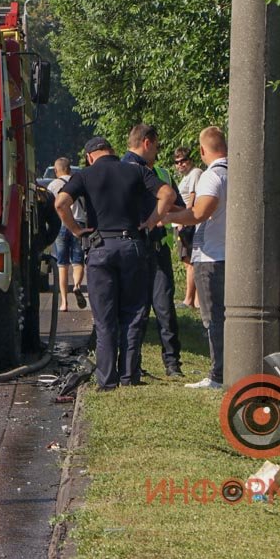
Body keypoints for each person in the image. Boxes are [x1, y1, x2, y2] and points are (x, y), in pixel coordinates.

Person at [55, 137, 175, 390]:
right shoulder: (136, 170)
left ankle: (107, 380)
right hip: (132, 246)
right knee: (133, 314)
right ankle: (129, 376)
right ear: (112, 151)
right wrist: (152, 221)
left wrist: (77, 230)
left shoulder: (85, 175)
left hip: (100, 249)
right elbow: (168, 194)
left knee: (105, 318)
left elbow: (60, 203)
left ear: (89, 156)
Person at [168, 127, 228, 390]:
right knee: (224, 317)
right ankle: (226, 369)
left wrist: (168, 218)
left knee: (212, 317)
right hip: (227, 253)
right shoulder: (234, 172)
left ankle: (217, 375)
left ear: (203, 151)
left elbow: (200, 212)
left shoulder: (211, 176)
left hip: (211, 256)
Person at [122, 124, 185, 377]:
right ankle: (132, 365)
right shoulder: (126, 171)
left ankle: (172, 364)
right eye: (156, 146)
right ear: (146, 142)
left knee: (164, 309)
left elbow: (178, 206)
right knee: (135, 310)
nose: (158, 152)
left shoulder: (160, 173)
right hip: (135, 247)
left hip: (157, 248)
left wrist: (162, 216)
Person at [47, 157, 86, 312]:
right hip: (79, 224)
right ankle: (76, 286)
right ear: (70, 169)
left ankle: (64, 302)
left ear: (56, 171)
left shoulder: (53, 185)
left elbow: (50, 208)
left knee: (62, 264)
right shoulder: (80, 183)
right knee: (78, 261)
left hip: (61, 225)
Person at [172, 146, 203, 308]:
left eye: (184, 160)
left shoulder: (195, 173)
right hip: (181, 223)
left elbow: (192, 197)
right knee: (188, 261)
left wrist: (185, 221)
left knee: (189, 261)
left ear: (190, 160)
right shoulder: (186, 177)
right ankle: (196, 300)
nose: (180, 164)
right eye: (177, 162)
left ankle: (189, 300)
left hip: (187, 223)